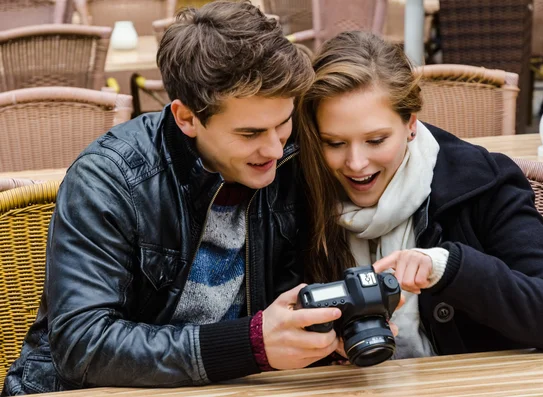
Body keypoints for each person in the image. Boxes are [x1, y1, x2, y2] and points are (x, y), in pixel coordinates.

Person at [3, 2, 344, 394]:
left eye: (282, 123)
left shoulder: (290, 155)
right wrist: (249, 344)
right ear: (186, 118)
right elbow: (83, 346)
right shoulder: (110, 178)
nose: (273, 149)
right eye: (249, 134)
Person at [296, 31, 543, 360]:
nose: (356, 162)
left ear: (411, 124)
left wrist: (450, 268)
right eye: (334, 143)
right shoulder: (291, 192)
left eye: (376, 140)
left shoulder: (483, 182)